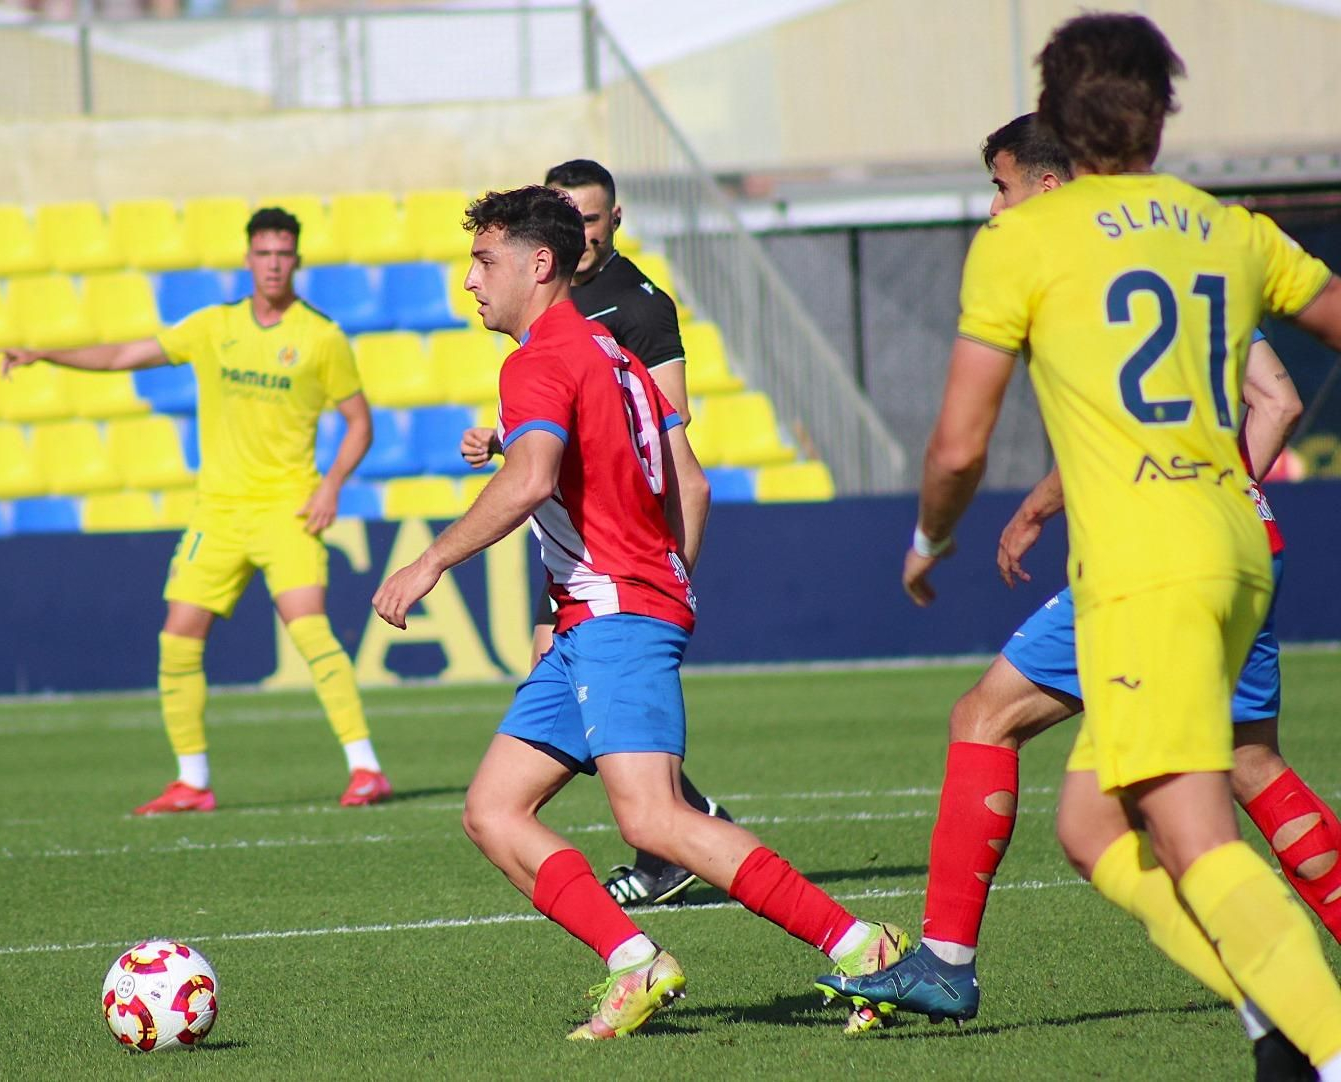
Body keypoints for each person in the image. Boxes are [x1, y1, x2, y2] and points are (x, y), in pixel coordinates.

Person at [818, 15, 1341, 1075]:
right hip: (1239, 542)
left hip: (1147, 566)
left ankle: (1322, 1043)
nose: (994, 202)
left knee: (1193, 837)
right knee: (1093, 828)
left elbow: (958, 443)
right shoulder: (1225, 227)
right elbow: (1297, 357)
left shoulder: (1027, 241)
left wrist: (930, 537)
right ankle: (1275, 1027)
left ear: (1055, 113)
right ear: (1164, 112)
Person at [374, 185, 908, 1040]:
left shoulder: (538, 360)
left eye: (483, 261)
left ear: (538, 265)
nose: (470, 280)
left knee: (654, 818)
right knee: (493, 811)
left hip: (615, 614)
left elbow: (532, 480)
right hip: (599, 617)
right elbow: (687, 480)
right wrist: (666, 577)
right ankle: (637, 963)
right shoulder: (613, 355)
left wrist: (430, 560)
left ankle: (863, 946)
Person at [1, 207, 393, 812]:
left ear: (296, 261)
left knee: (309, 630)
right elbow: (123, 355)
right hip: (219, 513)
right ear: (248, 260)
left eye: (283, 254)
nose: (273, 264)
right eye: (263, 254)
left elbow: (360, 423)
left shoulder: (321, 337)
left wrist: (331, 484)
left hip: (287, 509)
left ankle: (366, 769)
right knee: (177, 639)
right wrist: (45, 354)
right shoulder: (215, 326)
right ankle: (192, 780)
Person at [459, 158, 732, 909]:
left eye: (590, 217)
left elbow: (670, 454)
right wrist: (510, 440)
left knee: (632, 792)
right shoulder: (556, 320)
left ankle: (682, 842)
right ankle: (666, 860)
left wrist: (662, 580)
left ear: (612, 221)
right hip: (580, 556)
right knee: (513, 781)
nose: (581, 231)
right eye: (568, 214)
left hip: (616, 566)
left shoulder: (636, 311)